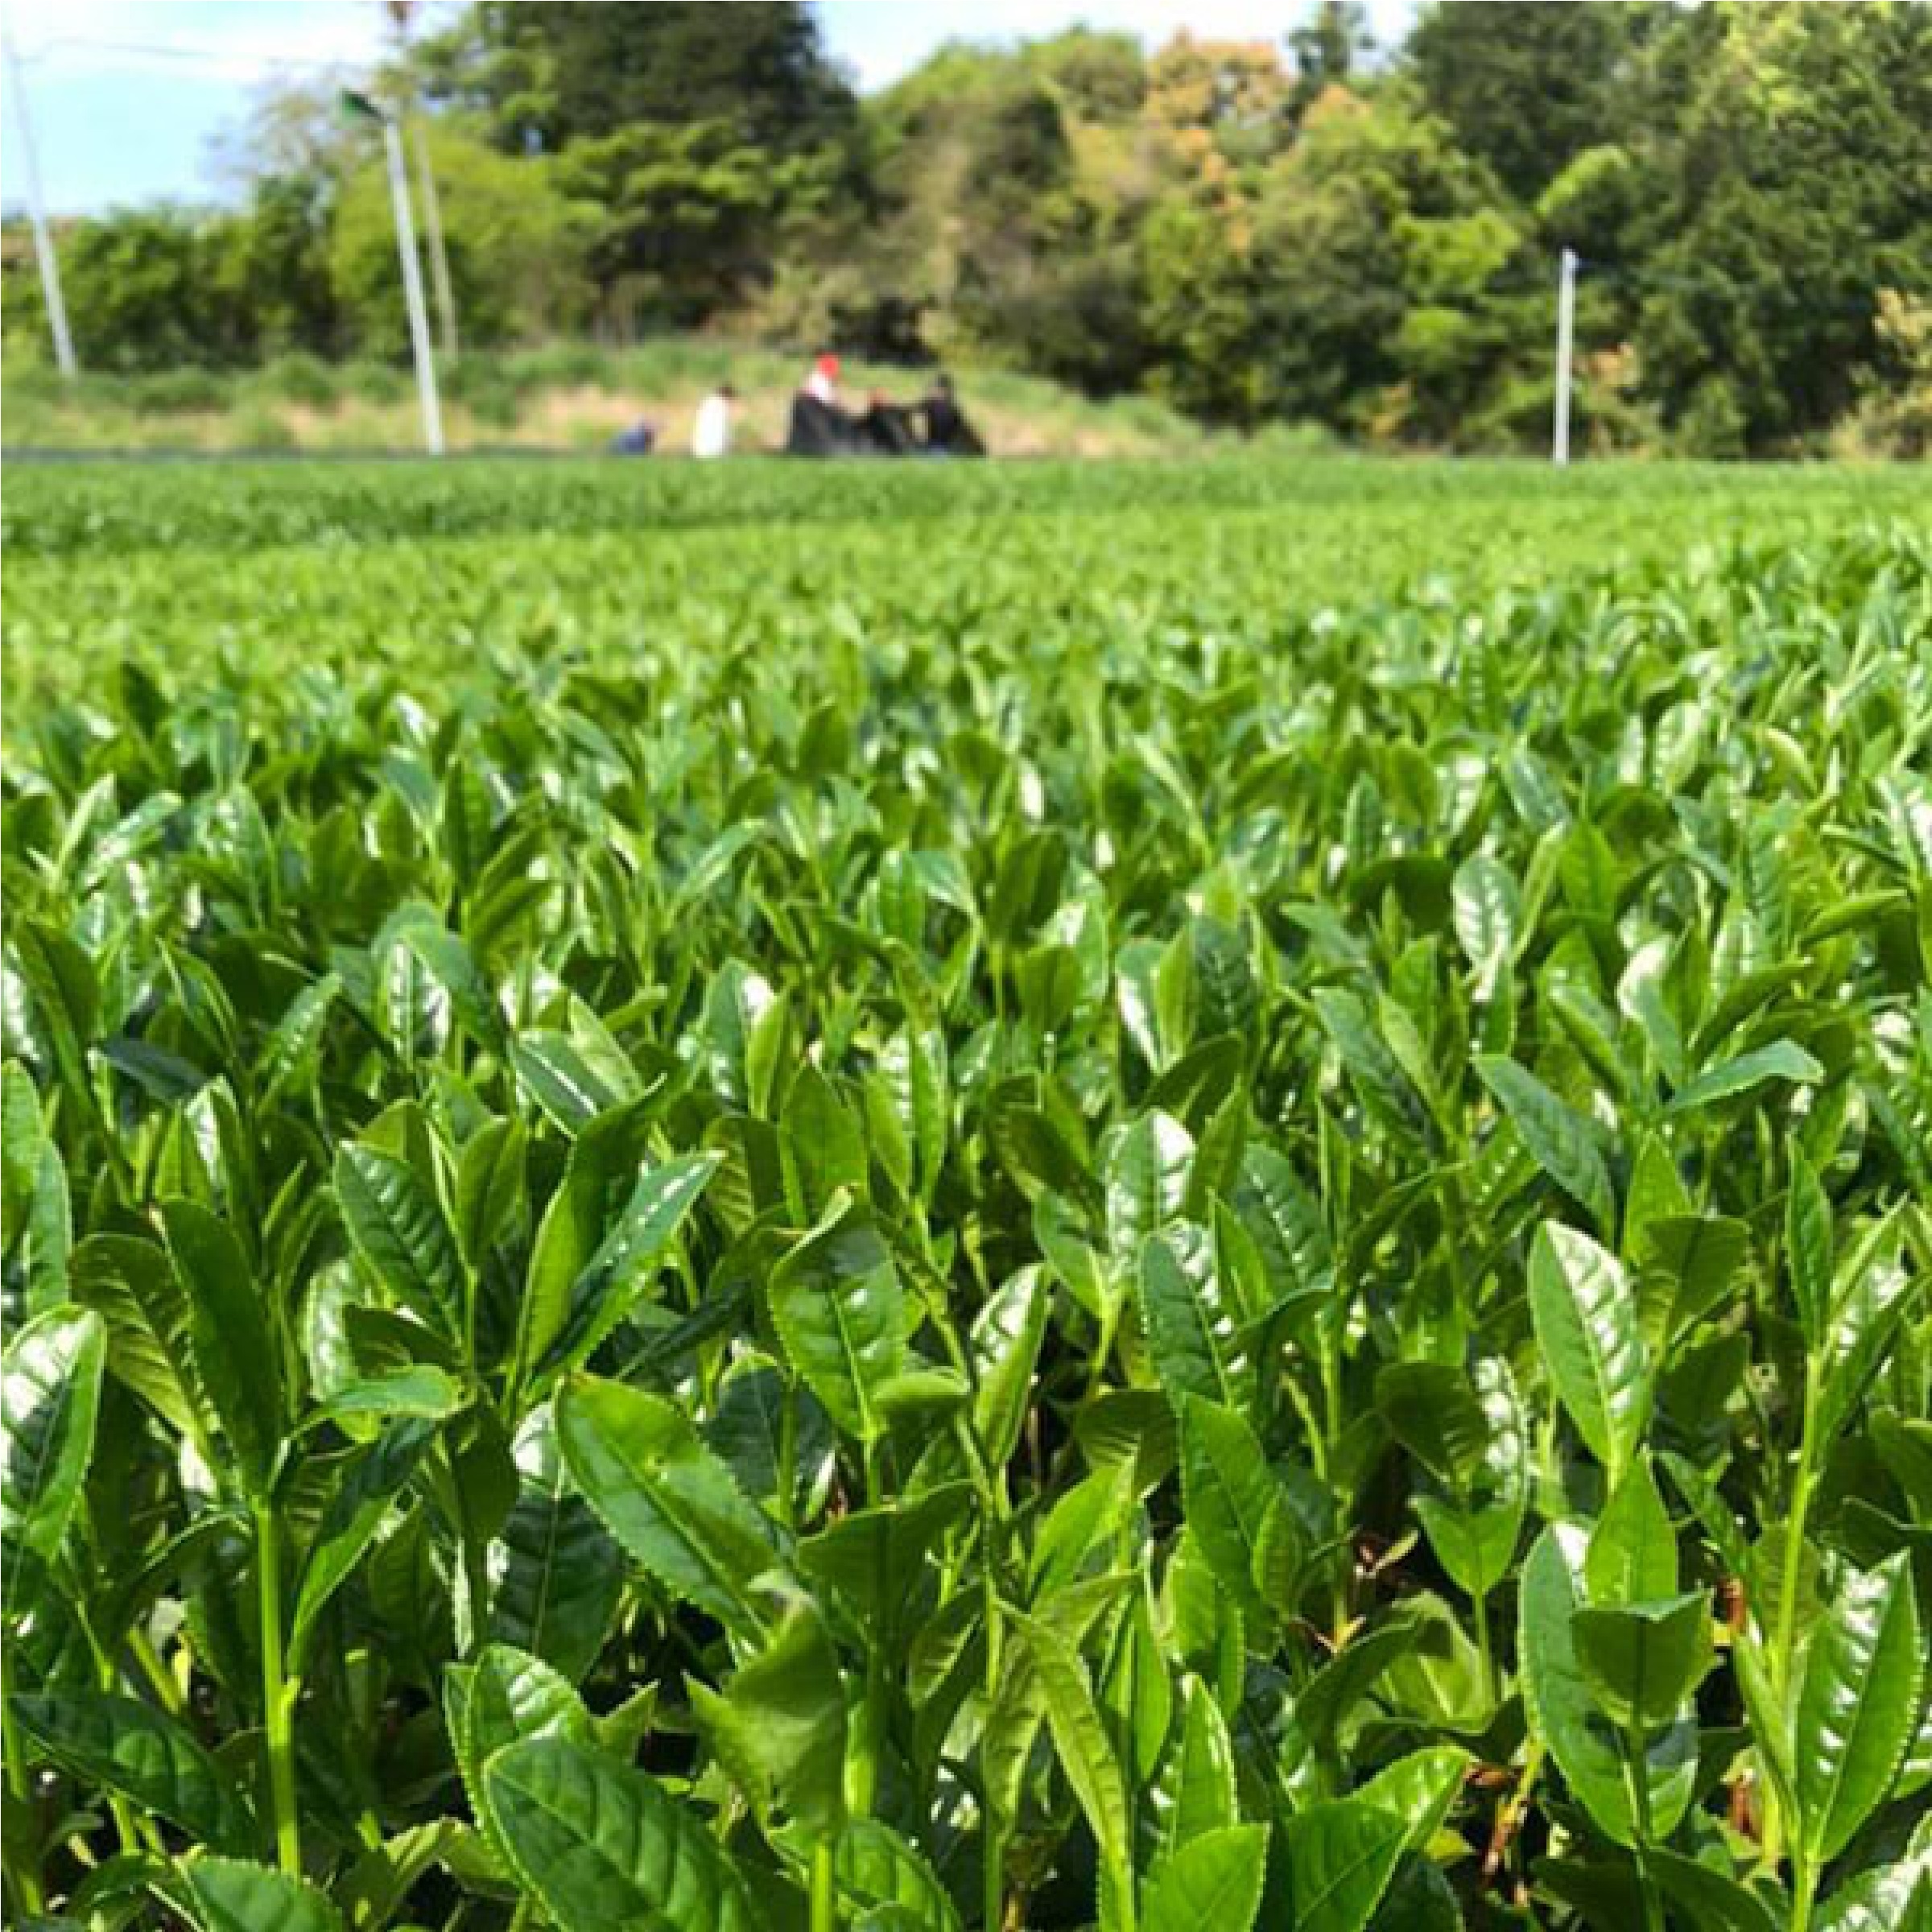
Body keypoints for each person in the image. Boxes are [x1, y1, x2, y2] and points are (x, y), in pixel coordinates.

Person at [920, 372, 985, 456]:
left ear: (945, 391)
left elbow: (944, 437)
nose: (930, 392)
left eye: (934, 389)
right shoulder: (932, 404)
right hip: (940, 447)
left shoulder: (949, 410)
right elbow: (911, 408)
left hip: (949, 449)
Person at [691, 382, 735, 460]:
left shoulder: (707, 402)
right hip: (715, 450)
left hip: (699, 450)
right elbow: (724, 430)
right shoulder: (722, 405)